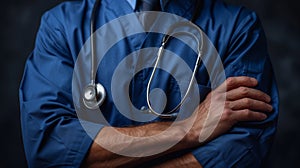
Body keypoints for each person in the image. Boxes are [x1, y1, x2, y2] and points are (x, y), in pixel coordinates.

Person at [19, 0, 279, 167]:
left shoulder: (237, 28)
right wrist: (188, 128)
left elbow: (243, 146)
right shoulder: (62, 26)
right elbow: (50, 147)